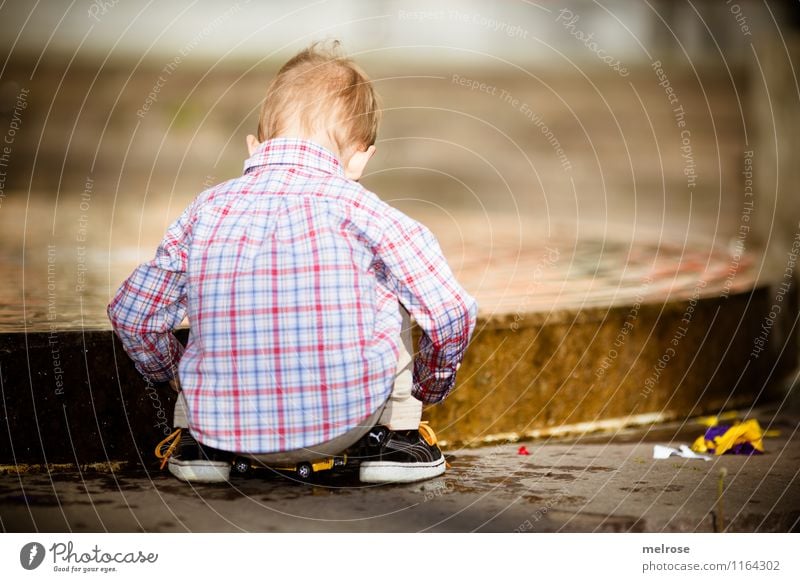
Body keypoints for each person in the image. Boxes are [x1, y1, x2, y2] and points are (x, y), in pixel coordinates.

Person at [107, 41, 477, 485]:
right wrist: (428, 386)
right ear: (361, 156)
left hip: (223, 428)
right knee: (389, 292)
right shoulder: (366, 212)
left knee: (213, 300)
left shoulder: (206, 211)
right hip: (345, 427)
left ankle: (196, 444)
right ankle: (396, 442)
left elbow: (134, 315)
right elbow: (449, 311)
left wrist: (173, 375)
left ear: (254, 144)